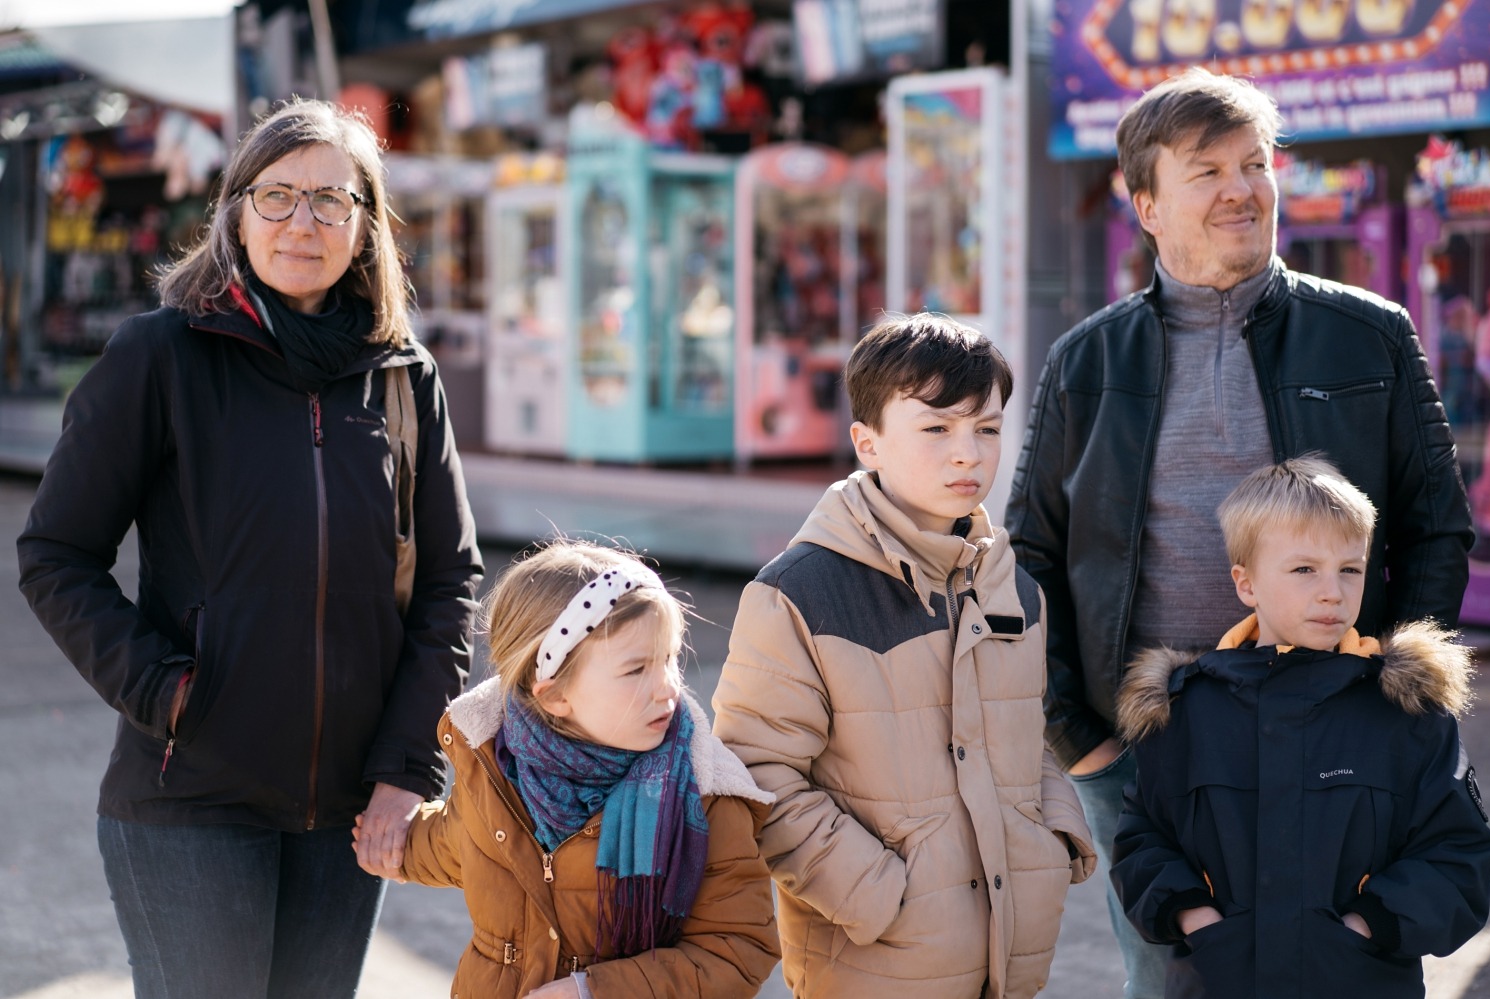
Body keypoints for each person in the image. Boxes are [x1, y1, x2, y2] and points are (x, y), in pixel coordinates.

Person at [1004, 68, 1473, 997]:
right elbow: (1027, 560)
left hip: (1345, 734)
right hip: (1148, 743)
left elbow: (1435, 527)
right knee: (1177, 980)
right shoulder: (1085, 360)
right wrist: (1078, 737)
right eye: (1207, 168)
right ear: (1146, 204)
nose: (1241, 188)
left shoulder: (1369, 335)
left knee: (1355, 966)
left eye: (1255, 163)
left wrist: (1393, 692)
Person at [16, 98, 485, 998]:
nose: (302, 223)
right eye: (278, 196)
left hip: (350, 812)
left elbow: (447, 582)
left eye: (330, 201)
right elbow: (55, 552)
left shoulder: (403, 376)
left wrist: (405, 769)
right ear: (235, 211)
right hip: (192, 796)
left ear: (366, 226)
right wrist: (166, 689)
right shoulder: (160, 357)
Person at [713, 314, 1096, 998]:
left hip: (1007, 959)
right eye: (936, 428)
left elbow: (1026, 736)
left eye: (986, 429)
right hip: (875, 963)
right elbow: (756, 771)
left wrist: (1052, 839)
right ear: (867, 442)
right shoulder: (799, 592)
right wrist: (879, 891)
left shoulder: (1015, 587)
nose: (968, 454)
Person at [1111, 456, 1490, 998]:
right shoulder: (1184, 712)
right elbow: (1141, 841)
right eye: (1303, 569)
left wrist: (1367, 926)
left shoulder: (1406, 713)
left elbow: (1459, 855)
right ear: (1246, 584)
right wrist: (1195, 918)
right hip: (1215, 983)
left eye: (1350, 568)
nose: (1332, 592)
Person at [372, 539, 780, 998]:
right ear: (554, 696)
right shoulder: (496, 772)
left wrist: (591, 992)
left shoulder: (704, 798)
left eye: (668, 659)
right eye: (636, 670)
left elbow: (737, 948)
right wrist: (393, 842)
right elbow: (457, 842)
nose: (668, 689)